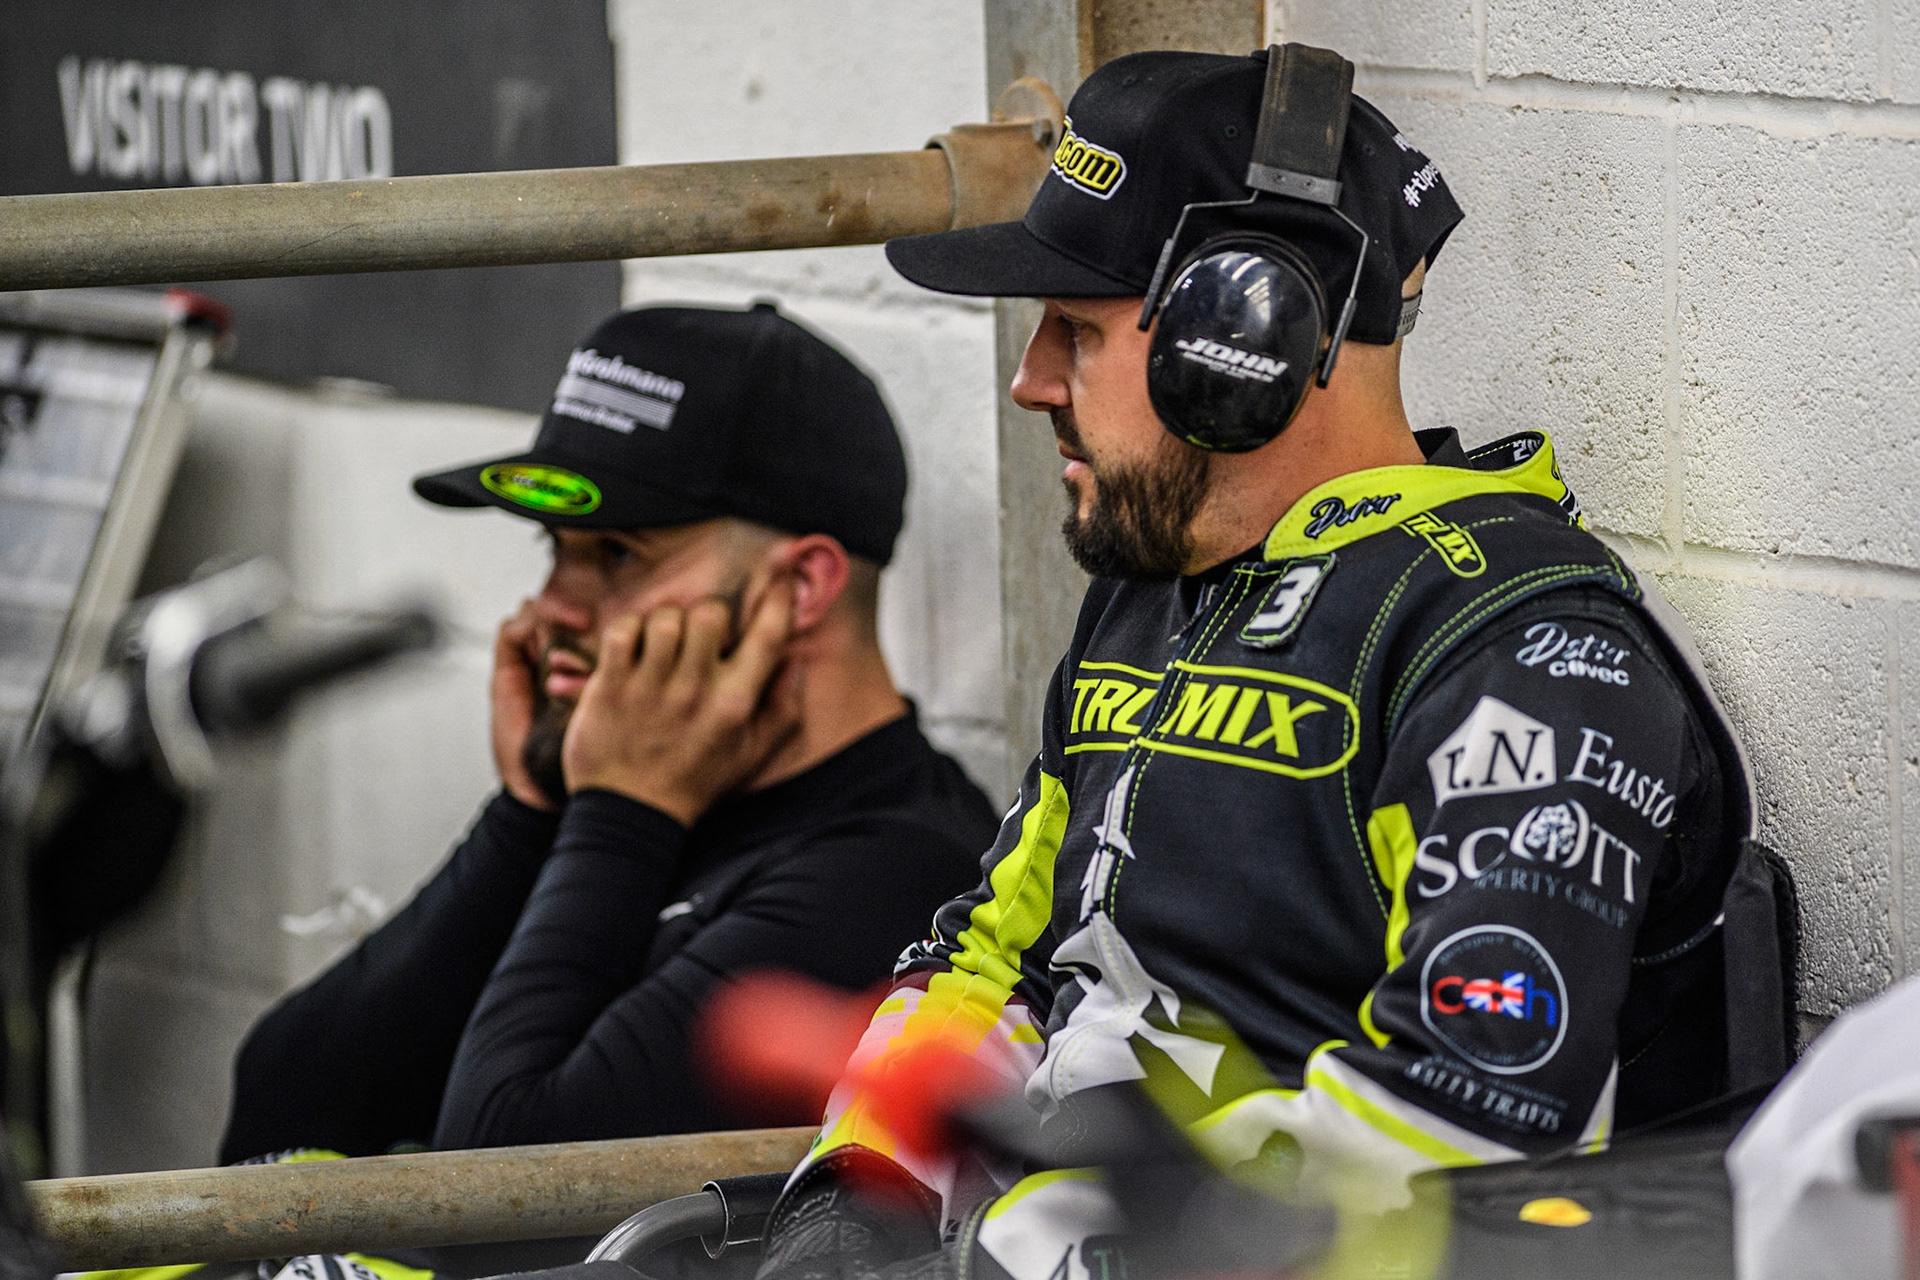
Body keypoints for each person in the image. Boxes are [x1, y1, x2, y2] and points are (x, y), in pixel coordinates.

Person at [749, 45, 1787, 1280]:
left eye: (1077, 329)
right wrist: (855, 1193)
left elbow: (1462, 1125)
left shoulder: (1522, 651)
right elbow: (990, 953)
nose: (1030, 381)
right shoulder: (1153, 589)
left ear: (1246, 338)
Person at [219, 301, 1000, 1161]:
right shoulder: (657, 795)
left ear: (800, 589)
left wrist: (622, 812)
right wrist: (530, 812)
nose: (552, 607)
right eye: (554, 551)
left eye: (619, 555)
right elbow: (278, 1114)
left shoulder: (894, 872)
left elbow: (503, 1194)